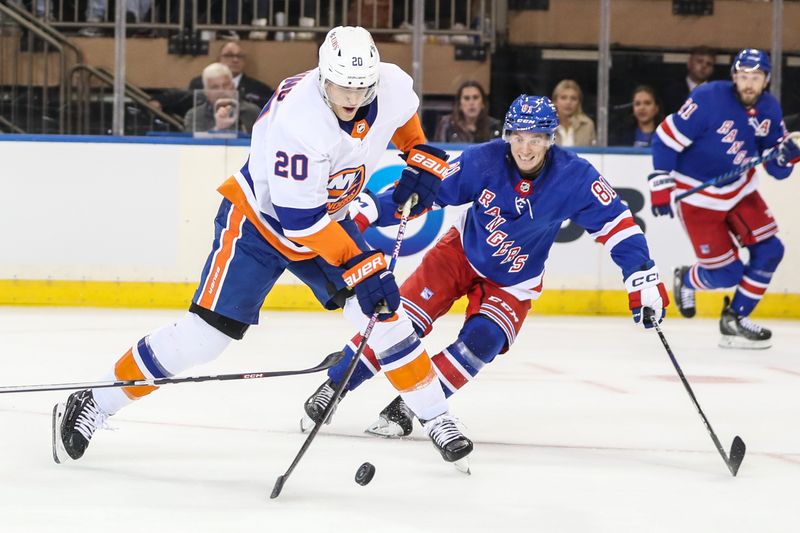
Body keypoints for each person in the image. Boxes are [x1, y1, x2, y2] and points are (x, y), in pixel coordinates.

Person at [52, 26, 472, 467]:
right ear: (322, 75)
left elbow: (402, 119)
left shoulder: (387, 82)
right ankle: (96, 400)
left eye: (361, 87)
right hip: (262, 225)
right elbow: (301, 224)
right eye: (342, 86)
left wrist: (418, 152)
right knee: (205, 339)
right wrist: (363, 264)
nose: (352, 96)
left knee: (385, 317)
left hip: (329, 217)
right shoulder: (299, 122)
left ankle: (437, 417)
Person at [302, 95, 670, 438]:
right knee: (399, 323)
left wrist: (641, 276)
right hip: (458, 255)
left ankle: (409, 408)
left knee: (483, 341)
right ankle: (334, 386)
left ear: (550, 139)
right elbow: (428, 193)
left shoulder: (576, 178)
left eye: (536, 139)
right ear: (507, 136)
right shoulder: (484, 160)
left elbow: (618, 226)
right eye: (519, 138)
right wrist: (374, 209)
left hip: (514, 281)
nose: (526, 149)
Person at [649, 48, 799, 349]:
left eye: (755, 77)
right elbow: (666, 138)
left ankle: (735, 320)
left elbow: (775, 169)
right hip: (698, 198)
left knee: (770, 250)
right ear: (734, 76)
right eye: (743, 76)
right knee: (726, 274)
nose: (748, 83)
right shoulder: (709, 98)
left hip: (740, 190)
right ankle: (687, 279)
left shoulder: (770, 109)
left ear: (766, 79)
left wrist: (785, 159)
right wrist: (660, 181)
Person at [188, 42, 274, 108]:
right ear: (219, 59)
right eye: (229, 55)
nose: (235, 60)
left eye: (239, 56)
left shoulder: (259, 89)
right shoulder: (199, 84)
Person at [183, 62, 261, 135]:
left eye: (225, 85)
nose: (221, 91)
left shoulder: (252, 112)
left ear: (233, 87)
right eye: (215, 87)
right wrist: (218, 129)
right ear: (205, 92)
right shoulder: (194, 115)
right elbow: (193, 146)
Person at [433, 80, 502, 143]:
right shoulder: (446, 124)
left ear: (483, 103)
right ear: (459, 104)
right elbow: (438, 153)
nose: (471, 103)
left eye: (475, 98)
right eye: (466, 98)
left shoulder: (494, 126)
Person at [661, 46, 716, 114]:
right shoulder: (671, 90)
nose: (704, 66)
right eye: (700, 61)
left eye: (709, 64)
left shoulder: (716, 93)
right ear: (689, 63)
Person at [552, 79, 596, 146]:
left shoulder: (587, 125)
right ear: (555, 101)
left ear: (579, 102)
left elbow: (595, 155)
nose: (568, 102)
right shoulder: (545, 125)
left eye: (573, 98)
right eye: (563, 98)